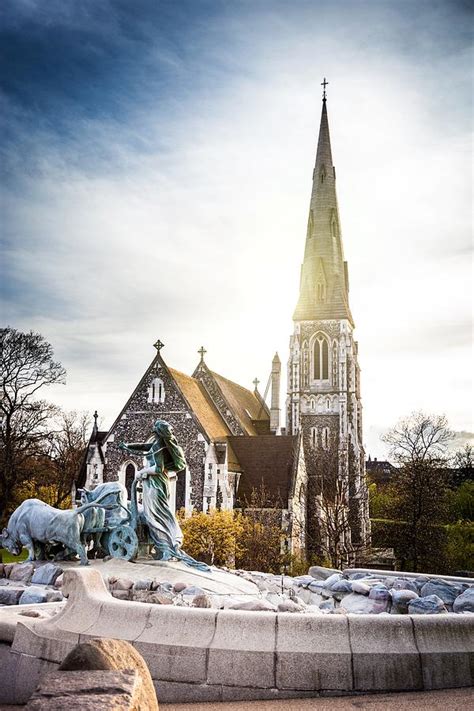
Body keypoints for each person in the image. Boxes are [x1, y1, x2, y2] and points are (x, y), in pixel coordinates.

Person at [119, 419, 209, 571]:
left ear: (158, 432)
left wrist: (141, 472)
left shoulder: (159, 445)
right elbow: (144, 447)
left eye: (154, 429)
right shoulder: (159, 444)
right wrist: (127, 446)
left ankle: (167, 548)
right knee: (162, 515)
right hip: (158, 484)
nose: (153, 431)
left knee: (153, 517)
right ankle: (168, 545)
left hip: (155, 485)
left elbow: (158, 469)